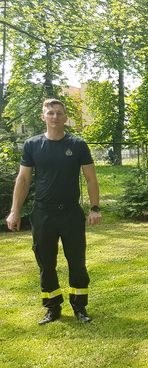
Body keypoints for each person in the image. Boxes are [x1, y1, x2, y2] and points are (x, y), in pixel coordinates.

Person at [5, 98, 102, 325]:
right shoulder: (32, 145)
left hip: (71, 213)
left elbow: (91, 178)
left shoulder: (77, 144)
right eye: (50, 113)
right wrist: (14, 211)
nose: (55, 117)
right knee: (46, 263)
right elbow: (23, 179)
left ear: (65, 117)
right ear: (43, 117)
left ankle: (79, 307)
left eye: (59, 113)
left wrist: (94, 208)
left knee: (77, 261)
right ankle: (52, 307)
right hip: (43, 214)